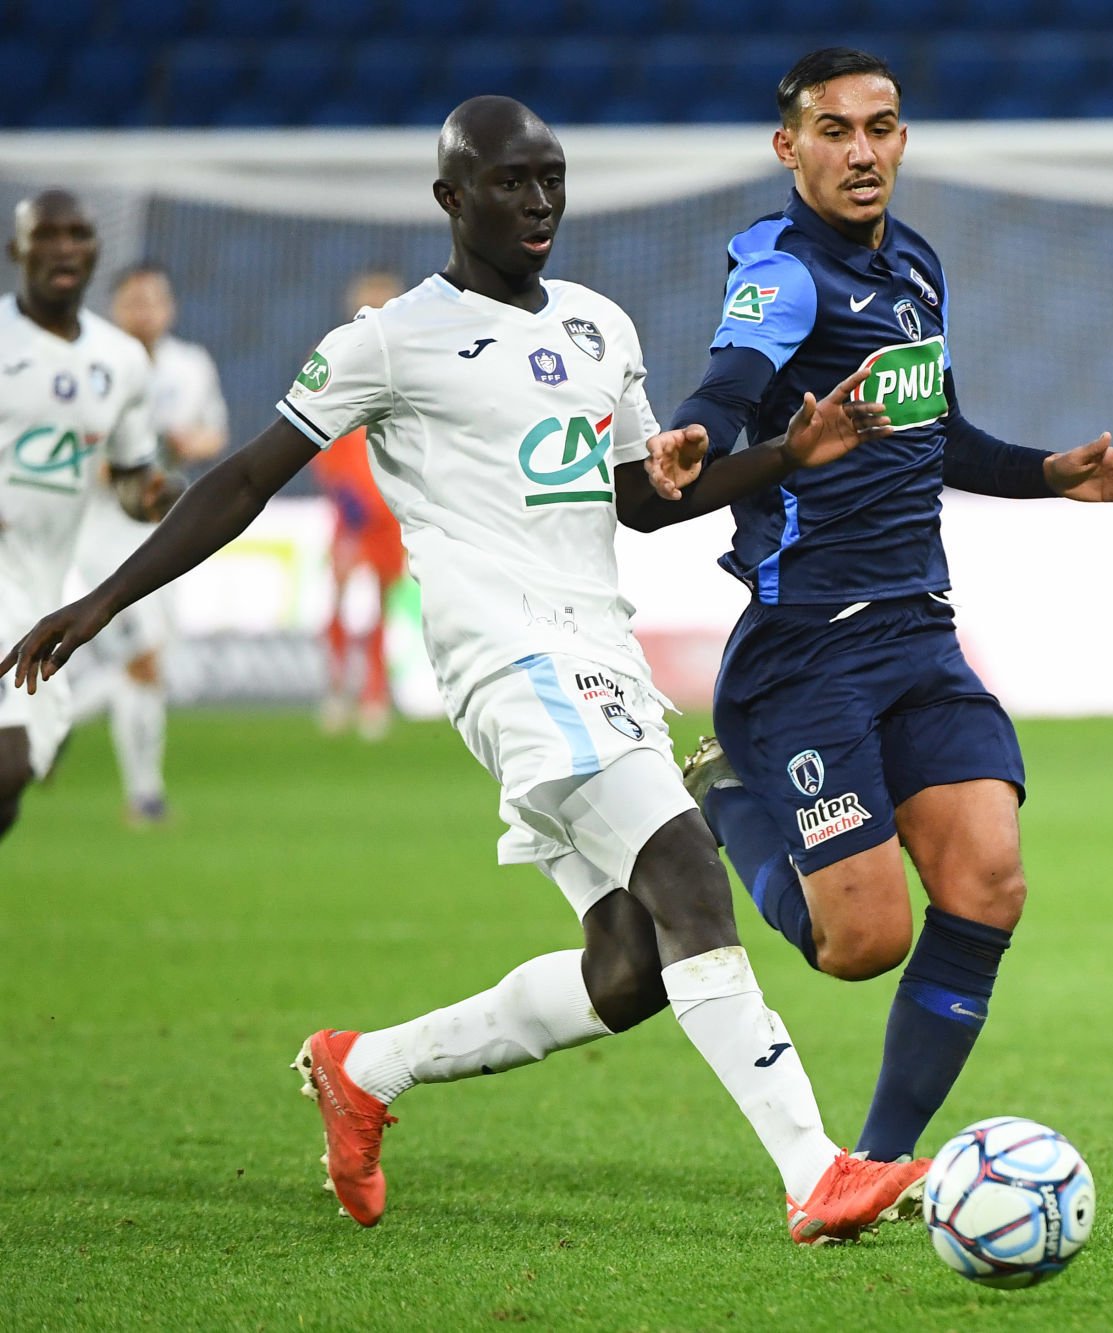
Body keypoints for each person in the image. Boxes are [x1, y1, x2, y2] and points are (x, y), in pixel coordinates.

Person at [2, 97, 928, 1243]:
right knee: (689, 872)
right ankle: (814, 1171)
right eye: (509, 182)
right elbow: (242, 480)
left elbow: (638, 502)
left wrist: (790, 450)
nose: (538, 202)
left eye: (551, 179)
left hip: (601, 649)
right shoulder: (389, 341)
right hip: (509, 656)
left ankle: (364, 1068)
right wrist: (100, 599)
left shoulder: (597, 325)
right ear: (451, 197)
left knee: (631, 967)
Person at [668, 49, 1113, 1166]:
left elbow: (942, 437)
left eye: (882, 127)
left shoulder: (915, 268)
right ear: (788, 146)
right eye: (835, 130)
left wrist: (1051, 473)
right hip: (806, 652)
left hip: (918, 632)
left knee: (989, 881)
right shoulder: (784, 274)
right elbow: (727, 385)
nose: (863, 152)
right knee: (860, 944)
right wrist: (695, 433)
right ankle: (728, 795)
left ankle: (877, 1164)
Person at [0, 191, 180, 845]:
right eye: (46, 234)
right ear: (17, 250)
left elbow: (131, 473)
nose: (64, 247)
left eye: (77, 234)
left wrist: (152, 496)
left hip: (46, 588)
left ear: (94, 251)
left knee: (16, 781)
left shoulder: (121, 361)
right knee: (9, 760)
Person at [67, 262, 228, 825]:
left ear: (170, 307)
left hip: (167, 531)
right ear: (116, 308)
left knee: (150, 665)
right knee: (141, 658)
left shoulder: (191, 364)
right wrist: (125, 467)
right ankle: (135, 788)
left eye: (154, 300)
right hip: (104, 531)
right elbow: (77, 450)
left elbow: (215, 433)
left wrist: (186, 443)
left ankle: (139, 790)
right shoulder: (92, 366)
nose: (145, 312)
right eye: (134, 301)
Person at [312, 268, 408, 740]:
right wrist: (342, 490)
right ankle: (336, 688)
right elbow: (313, 434)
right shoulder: (335, 359)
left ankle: (374, 692)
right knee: (340, 600)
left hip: (392, 513)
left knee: (381, 608)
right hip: (352, 513)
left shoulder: (413, 363)